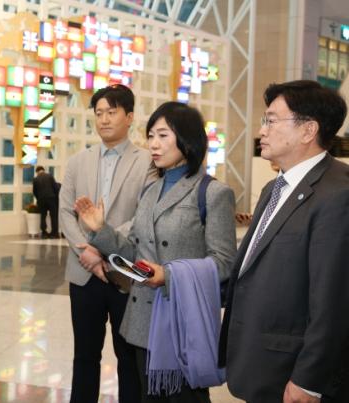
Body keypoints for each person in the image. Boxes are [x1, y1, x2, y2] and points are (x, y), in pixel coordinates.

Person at [75, 101, 237, 402]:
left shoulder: (213, 193)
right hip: (143, 322)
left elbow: (225, 263)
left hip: (181, 322)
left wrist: (169, 275)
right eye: (150, 136)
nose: (153, 144)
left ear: (187, 139)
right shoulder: (150, 191)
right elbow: (134, 252)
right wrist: (101, 230)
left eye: (163, 135)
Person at [218, 80, 349, 403]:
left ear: (308, 130)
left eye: (272, 120)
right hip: (259, 361)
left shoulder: (338, 194)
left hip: (293, 371)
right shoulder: (274, 188)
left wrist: (309, 379)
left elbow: (333, 299)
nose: (261, 130)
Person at [59, 84, 156, 402]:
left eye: (111, 112)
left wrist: (101, 246)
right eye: (99, 113)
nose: (103, 119)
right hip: (83, 272)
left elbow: (144, 215)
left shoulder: (147, 162)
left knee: (129, 357)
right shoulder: (78, 161)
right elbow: (65, 211)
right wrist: (83, 249)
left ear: (129, 117)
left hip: (126, 273)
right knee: (84, 355)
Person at [32, 165, 59, 238]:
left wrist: (39, 198)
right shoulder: (50, 176)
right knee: (54, 216)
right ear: (43, 170)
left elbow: (34, 192)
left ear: (37, 172)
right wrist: (56, 198)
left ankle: (44, 233)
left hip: (41, 200)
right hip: (51, 199)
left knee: (43, 216)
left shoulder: (35, 179)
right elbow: (56, 188)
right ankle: (54, 233)